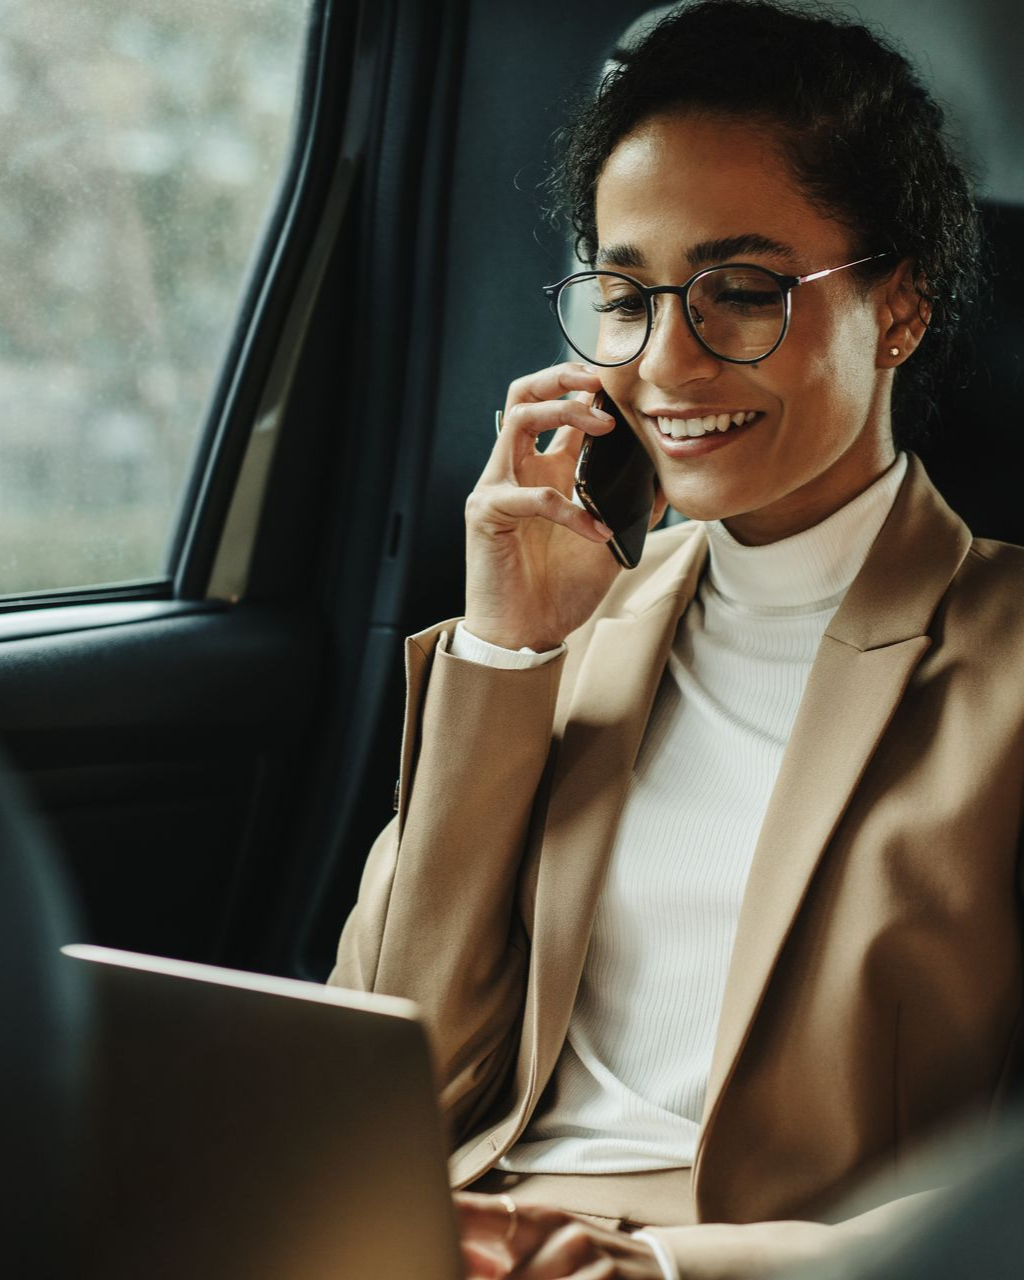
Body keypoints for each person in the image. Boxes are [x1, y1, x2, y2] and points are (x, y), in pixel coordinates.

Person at [330, 2, 1023, 1276]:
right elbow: (382, 1079)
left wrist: (657, 1267)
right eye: (626, 295)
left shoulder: (1007, 663)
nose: (665, 363)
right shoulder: (574, 618)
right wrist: (506, 657)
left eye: (741, 293)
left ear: (902, 307)